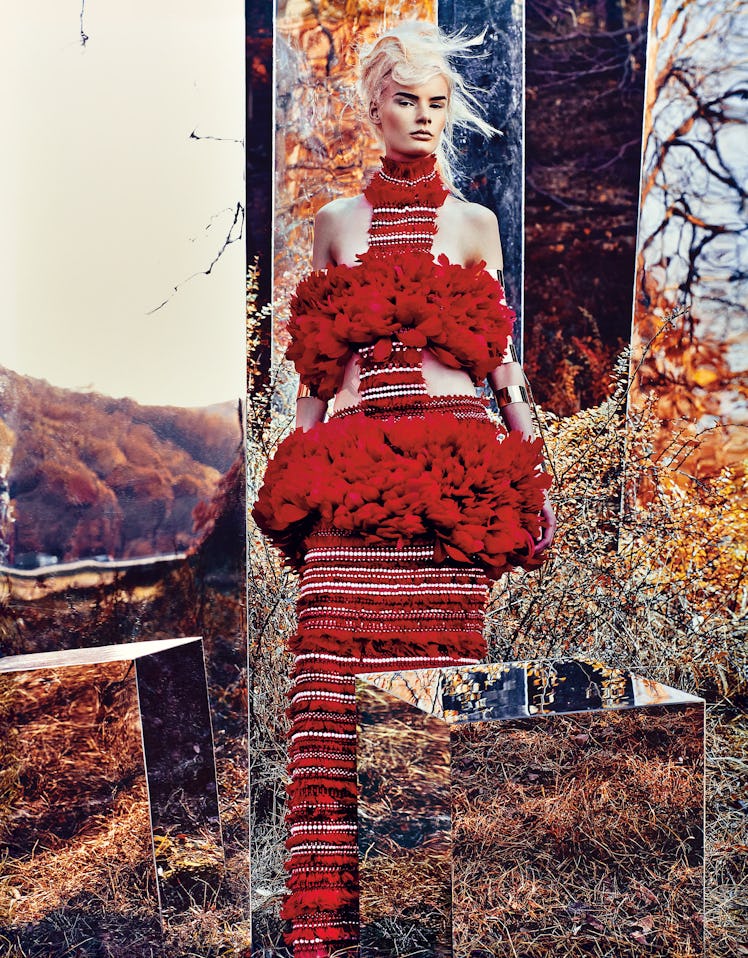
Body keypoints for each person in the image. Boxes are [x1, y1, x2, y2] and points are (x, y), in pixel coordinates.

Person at [253, 20, 556, 958]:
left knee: (443, 679)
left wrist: (527, 445)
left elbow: (498, 358)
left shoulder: (475, 225)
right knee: (328, 672)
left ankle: (429, 904)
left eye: (437, 103)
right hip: (353, 468)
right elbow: (314, 365)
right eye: (405, 100)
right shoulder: (334, 224)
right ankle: (330, 919)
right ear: (373, 106)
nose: (423, 117)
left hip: (454, 468)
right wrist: (295, 468)